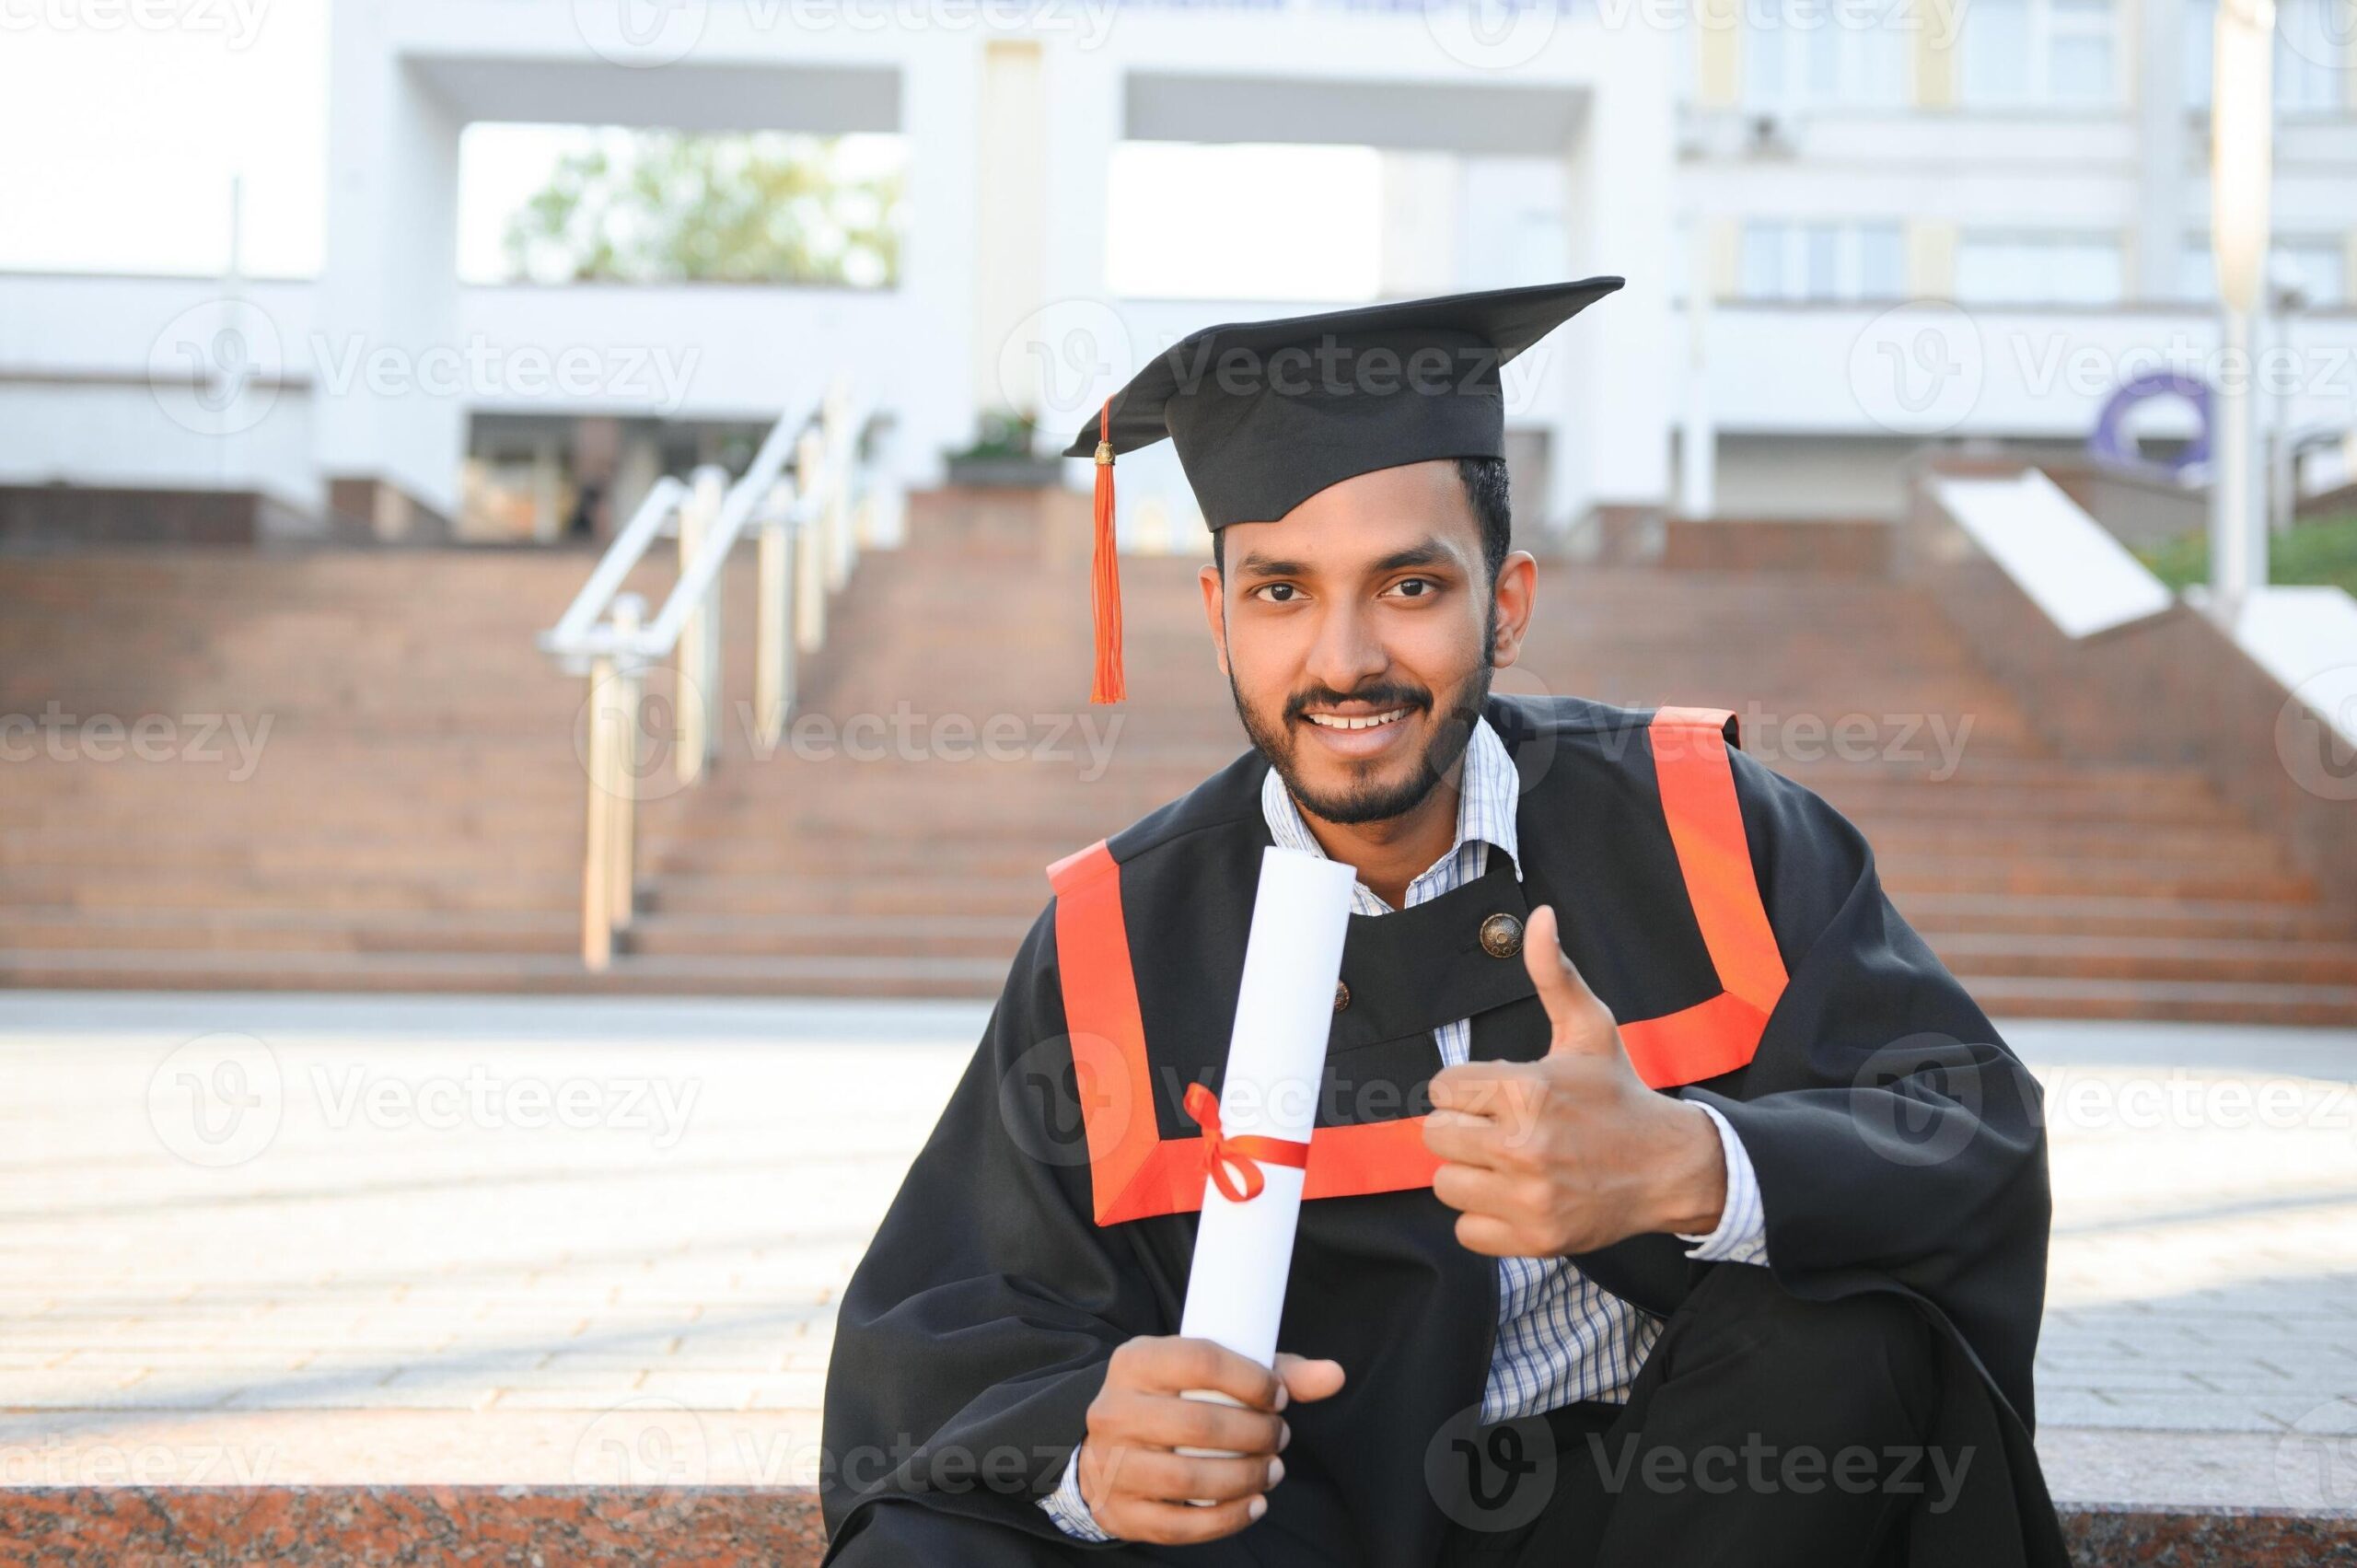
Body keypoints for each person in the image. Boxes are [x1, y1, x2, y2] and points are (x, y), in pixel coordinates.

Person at [819, 280, 2063, 1567]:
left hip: (1671, 1518)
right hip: (1288, 1533)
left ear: (1505, 603)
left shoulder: (1701, 829)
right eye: (1283, 593)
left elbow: (1965, 1128)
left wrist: (1690, 1164)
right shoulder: (1118, 936)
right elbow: (943, 1331)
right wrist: (1092, 1445)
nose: (1345, 660)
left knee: (1849, 1339)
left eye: (1409, 587)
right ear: (1219, 618)